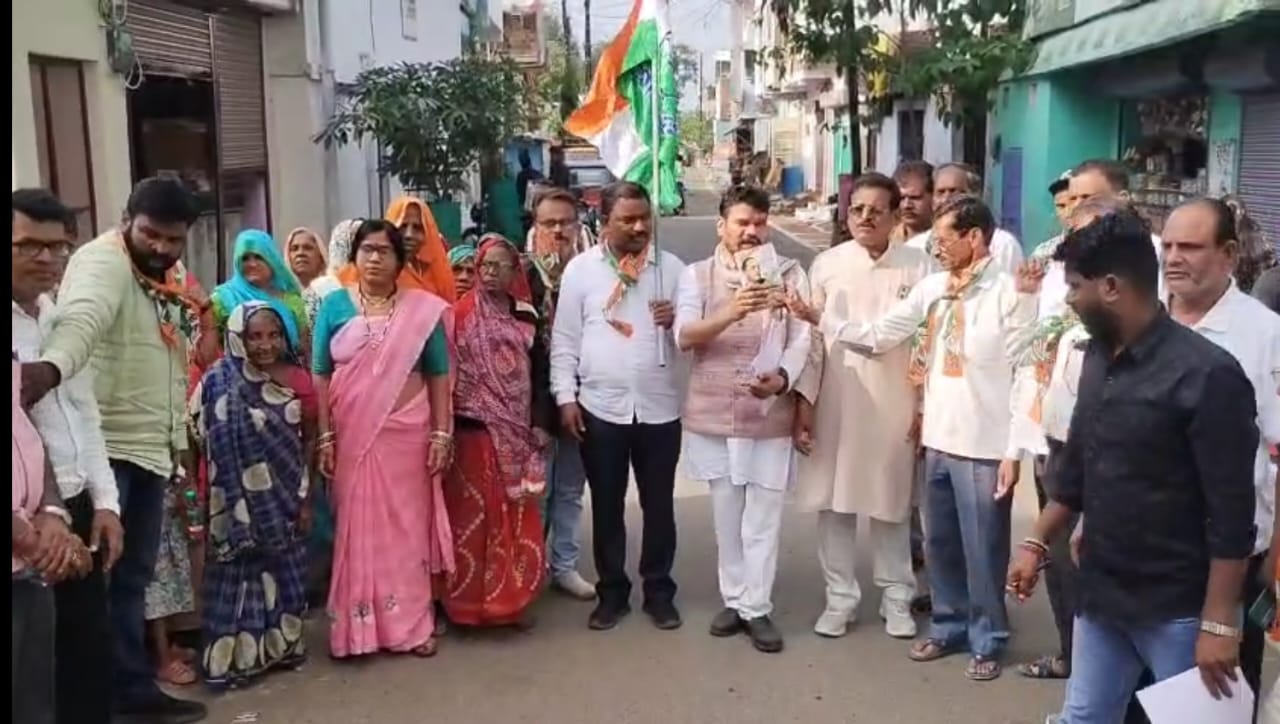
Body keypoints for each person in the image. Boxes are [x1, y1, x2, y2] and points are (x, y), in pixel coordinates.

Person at [1008, 209, 1259, 724]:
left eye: (1074, 287)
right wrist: (1036, 542)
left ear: (1111, 287)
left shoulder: (1208, 375)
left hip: (1179, 610)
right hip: (1101, 595)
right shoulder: (1096, 357)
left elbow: (1232, 513)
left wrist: (1218, 621)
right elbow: (1076, 470)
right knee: (1084, 717)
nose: (1068, 300)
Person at [802, 195, 1038, 681]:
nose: (936, 248)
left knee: (983, 549)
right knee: (941, 545)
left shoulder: (1009, 292)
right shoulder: (934, 287)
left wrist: (1013, 450)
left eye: (944, 240)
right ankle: (948, 627)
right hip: (938, 442)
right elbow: (881, 335)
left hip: (985, 446)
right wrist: (820, 317)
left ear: (975, 238)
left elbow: (1025, 371)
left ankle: (988, 639)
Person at [22, 177, 208, 722]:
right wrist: (49, 369)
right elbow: (84, 322)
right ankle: (114, 697)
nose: (161, 247)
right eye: (150, 234)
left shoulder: (166, 274)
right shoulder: (104, 263)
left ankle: (130, 692)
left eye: (173, 239)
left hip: (142, 449)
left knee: (130, 583)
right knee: (95, 597)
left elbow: (171, 350)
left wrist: (175, 441)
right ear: (126, 220)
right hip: (106, 454)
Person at [789, 173, 935, 641]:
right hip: (836, 398)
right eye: (856, 209)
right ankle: (840, 600)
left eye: (875, 210)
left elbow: (929, 343)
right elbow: (811, 341)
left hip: (896, 400)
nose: (865, 218)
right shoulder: (828, 265)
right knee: (835, 504)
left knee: (891, 503)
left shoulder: (920, 267)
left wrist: (923, 407)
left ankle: (897, 599)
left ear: (895, 215)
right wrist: (805, 404)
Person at [674, 185, 810, 653]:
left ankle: (757, 606)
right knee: (726, 512)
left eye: (759, 223)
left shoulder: (789, 273)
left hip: (768, 411)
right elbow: (684, 336)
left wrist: (783, 377)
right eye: (742, 222)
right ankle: (734, 598)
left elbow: (803, 337)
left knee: (763, 516)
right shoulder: (697, 275)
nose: (751, 231)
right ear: (722, 226)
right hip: (714, 412)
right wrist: (733, 310)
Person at [313, 218, 455, 658]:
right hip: (351, 435)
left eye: (384, 251)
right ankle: (357, 630)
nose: (374, 258)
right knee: (357, 528)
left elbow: (438, 373)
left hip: (408, 436)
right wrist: (324, 437)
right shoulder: (334, 305)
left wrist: (441, 433)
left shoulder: (422, 311)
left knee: (407, 529)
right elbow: (320, 373)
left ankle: (411, 625)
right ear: (354, 256)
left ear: (399, 260)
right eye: (367, 250)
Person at [551, 181, 686, 631]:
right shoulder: (581, 271)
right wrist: (565, 397)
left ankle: (659, 592)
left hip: (659, 410)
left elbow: (693, 340)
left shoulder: (672, 270)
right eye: (627, 219)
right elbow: (565, 340)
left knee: (659, 506)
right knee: (606, 505)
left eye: (644, 218)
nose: (639, 227)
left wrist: (676, 321)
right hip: (599, 408)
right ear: (605, 222)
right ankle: (612, 593)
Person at [1163, 197, 1280, 714]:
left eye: (1190, 247)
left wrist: (1274, 559)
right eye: (1168, 245)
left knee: (1218, 697)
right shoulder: (1144, 320)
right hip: (1145, 551)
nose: (1173, 258)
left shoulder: (1264, 334)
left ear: (1229, 254)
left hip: (1231, 556)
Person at [12, 189, 122, 724]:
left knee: (87, 659)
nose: (46, 258)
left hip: (72, 508)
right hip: (25, 526)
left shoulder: (58, 319)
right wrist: (41, 521)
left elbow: (84, 414)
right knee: (33, 684)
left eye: (57, 247)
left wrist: (105, 503)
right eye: (28, 245)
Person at [189, 302, 315, 688]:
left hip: (284, 495)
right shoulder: (217, 380)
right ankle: (232, 660)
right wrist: (195, 491)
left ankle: (282, 647)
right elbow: (193, 434)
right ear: (236, 338)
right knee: (235, 573)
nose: (265, 344)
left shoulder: (297, 379)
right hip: (231, 503)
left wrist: (305, 497)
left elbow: (308, 440)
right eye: (255, 336)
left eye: (274, 335)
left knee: (283, 568)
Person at [441, 235, 551, 626]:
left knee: (513, 515)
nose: (489, 273)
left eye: (498, 266)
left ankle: (510, 602)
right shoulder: (457, 315)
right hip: (472, 432)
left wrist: (541, 422)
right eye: (484, 266)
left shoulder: (526, 317)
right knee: (472, 518)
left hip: (518, 434)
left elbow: (540, 372)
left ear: (513, 272)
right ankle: (466, 606)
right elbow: (445, 376)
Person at [1007, 173, 1079, 681]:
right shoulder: (1046, 257)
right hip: (1049, 430)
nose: (1072, 210)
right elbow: (1030, 344)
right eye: (1065, 203)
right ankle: (1070, 651)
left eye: (1084, 199)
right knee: (1055, 548)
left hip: (1101, 437)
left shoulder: (1144, 255)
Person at [13, 356, 92, 724]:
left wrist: (52, 512)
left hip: (29, 567)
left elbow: (27, 431)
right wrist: (27, 537)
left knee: (34, 707)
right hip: (27, 548)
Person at [529, 188, 596, 600]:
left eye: (565, 222)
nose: (558, 231)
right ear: (535, 226)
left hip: (581, 397)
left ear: (577, 225)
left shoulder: (594, 271)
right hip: (532, 402)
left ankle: (564, 565)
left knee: (570, 487)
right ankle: (530, 566)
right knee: (536, 490)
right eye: (548, 223)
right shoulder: (520, 274)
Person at [913, 164, 1023, 275]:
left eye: (953, 191)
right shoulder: (917, 246)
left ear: (974, 195)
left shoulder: (1002, 244)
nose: (946, 199)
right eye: (940, 192)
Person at [339, 198, 456, 302]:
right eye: (402, 226)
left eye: (417, 228)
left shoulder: (436, 272)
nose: (409, 235)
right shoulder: (366, 271)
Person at [211, 229, 307, 351]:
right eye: (245, 258)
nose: (252, 264)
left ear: (272, 259)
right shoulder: (223, 298)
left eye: (258, 257)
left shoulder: (292, 301)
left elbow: (303, 347)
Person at [285, 227, 331, 323]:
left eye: (308, 248)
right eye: (294, 249)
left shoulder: (331, 292)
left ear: (321, 255)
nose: (300, 253)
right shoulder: (283, 297)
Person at [891, 161, 934, 244]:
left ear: (934, 196)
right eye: (901, 198)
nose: (906, 205)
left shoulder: (949, 241)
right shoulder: (883, 241)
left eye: (915, 198)